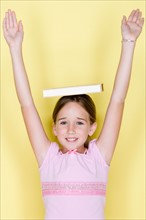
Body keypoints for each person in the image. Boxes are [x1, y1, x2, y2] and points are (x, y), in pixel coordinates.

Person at [3, 9, 144, 220]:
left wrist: (128, 42)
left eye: (79, 122)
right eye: (63, 122)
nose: (70, 129)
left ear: (92, 128)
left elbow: (118, 99)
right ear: (54, 127)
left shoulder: (99, 157)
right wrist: (14, 48)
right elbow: (26, 104)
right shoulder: (47, 158)